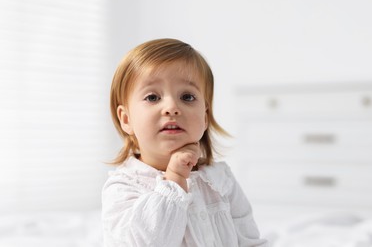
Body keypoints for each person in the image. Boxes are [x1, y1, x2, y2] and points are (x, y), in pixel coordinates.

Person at [102, 38, 267, 247]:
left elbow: (249, 238)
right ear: (126, 119)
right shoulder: (123, 187)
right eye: (152, 97)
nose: (171, 107)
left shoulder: (220, 179)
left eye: (187, 97)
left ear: (205, 117)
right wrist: (175, 180)